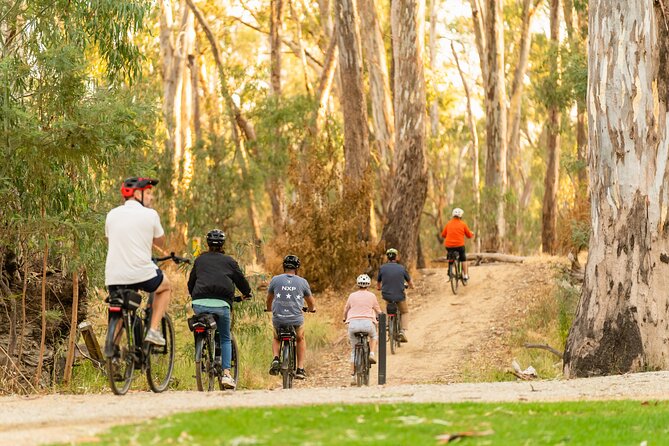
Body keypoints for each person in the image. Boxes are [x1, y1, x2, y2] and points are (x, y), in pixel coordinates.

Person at [105, 177, 171, 346]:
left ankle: (113, 356)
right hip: (141, 273)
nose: (151, 197)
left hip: (114, 276)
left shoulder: (112, 214)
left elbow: (111, 240)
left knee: (119, 311)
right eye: (148, 193)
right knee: (166, 286)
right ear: (136, 194)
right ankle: (154, 330)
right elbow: (160, 242)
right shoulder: (150, 214)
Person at [187, 229, 252, 389]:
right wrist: (247, 293)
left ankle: (201, 353)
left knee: (201, 324)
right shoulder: (229, 261)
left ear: (207, 244)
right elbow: (242, 282)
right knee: (225, 338)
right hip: (222, 305)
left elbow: (191, 283)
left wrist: (196, 296)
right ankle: (226, 374)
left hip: (199, 303)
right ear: (223, 244)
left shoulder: (200, 260)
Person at [266, 255, 315, 380]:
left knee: (276, 337)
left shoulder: (275, 280)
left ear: (284, 267)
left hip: (279, 318)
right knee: (300, 338)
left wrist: (269, 308)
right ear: (297, 268)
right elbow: (310, 302)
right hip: (296, 319)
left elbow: (269, 298)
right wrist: (311, 309)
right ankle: (300, 368)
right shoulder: (302, 282)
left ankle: (276, 358)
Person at [343, 274, 381, 384]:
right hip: (368, 324)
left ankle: (353, 377)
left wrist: (344, 318)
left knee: (354, 350)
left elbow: (346, 309)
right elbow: (378, 310)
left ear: (357, 284)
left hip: (353, 325)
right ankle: (372, 354)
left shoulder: (351, 296)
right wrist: (380, 316)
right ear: (368, 285)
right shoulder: (372, 296)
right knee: (374, 336)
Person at [377, 248, 413, 342]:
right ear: (396, 257)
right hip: (399, 295)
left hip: (387, 295)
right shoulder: (401, 268)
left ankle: (388, 323)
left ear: (387, 257)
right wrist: (412, 286)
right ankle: (402, 330)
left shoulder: (382, 268)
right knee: (404, 312)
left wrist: (379, 288)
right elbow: (409, 281)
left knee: (388, 306)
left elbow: (378, 283)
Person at [440, 208, 475, 281]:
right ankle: (465, 275)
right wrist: (472, 234)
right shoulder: (463, 224)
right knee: (463, 259)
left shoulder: (448, 224)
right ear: (461, 216)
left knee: (450, 254)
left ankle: (450, 270)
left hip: (449, 246)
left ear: (453, 215)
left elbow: (443, 235)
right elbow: (468, 235)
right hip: (459, 246)